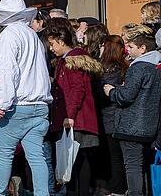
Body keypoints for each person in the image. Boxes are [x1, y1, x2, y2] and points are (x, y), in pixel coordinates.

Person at [0, 0, 52, 196]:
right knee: (37, 157)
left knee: (4, 156)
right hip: (39, 104)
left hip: (16, 106)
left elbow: (6, 72)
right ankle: (43, 193)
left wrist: (0, 104)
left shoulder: (8, 36)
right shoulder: (33, 36)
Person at [103, 24, 161, 196]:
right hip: (150, 125)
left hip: (131, 126)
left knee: (132, 164)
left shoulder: (138, 67)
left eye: (131, 46)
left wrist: (112, 91)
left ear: (143, 48)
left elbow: (126, 96)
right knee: (142, 165)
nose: (127, 49)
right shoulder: (156, 66)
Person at [45, 24, 101, 196]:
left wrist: (70, 115)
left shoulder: (72, 61)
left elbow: (77, 90)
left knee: (77, 162)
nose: (51, 49)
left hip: (77, 120)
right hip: (77, 118)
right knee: (74, 163)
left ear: (61, 42)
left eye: (53, 44)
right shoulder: (69, 60)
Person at [97, 35, 128, 196]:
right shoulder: (125, 66)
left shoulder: (107, 70)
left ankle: (116, 189)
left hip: (108, 117)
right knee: (119, 156)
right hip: (119, 117)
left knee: (112, 156)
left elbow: (103, 94)